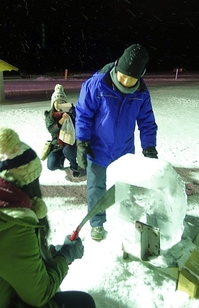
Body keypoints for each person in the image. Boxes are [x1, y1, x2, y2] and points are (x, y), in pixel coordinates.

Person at [75, 44, 158, 241]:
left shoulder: (141, 93)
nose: (125, 81)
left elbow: (147, 122)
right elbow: (83, 115)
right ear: (117, 67)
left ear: (140, 76)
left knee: (123, 187)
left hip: (124, 151)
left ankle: (123, 218)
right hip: (97, 148)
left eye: (131, 79)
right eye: (122, 76)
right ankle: (97, 223)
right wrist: (82, 141)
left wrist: (149, 147)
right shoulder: (97, 85)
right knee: (96, 188)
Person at [0, 172, 96, 308]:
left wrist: (49, 253)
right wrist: (65, 255)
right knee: (83, 303)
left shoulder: (6, 215)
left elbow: (17, 260)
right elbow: (40, 293)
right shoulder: (13, 224)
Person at [44, 84, 85, 179]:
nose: (59, 105)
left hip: (69, 144)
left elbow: (79, 121)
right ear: (53, 103)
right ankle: (60, 158)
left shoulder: (70, 111)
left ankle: (74, 166)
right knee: (51, 166)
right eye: (56, 102)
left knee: (68, 150)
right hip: (57, 145)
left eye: (62, 102)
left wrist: (71, 111)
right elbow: (51, 130)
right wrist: (61, 121)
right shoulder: (49, 115)